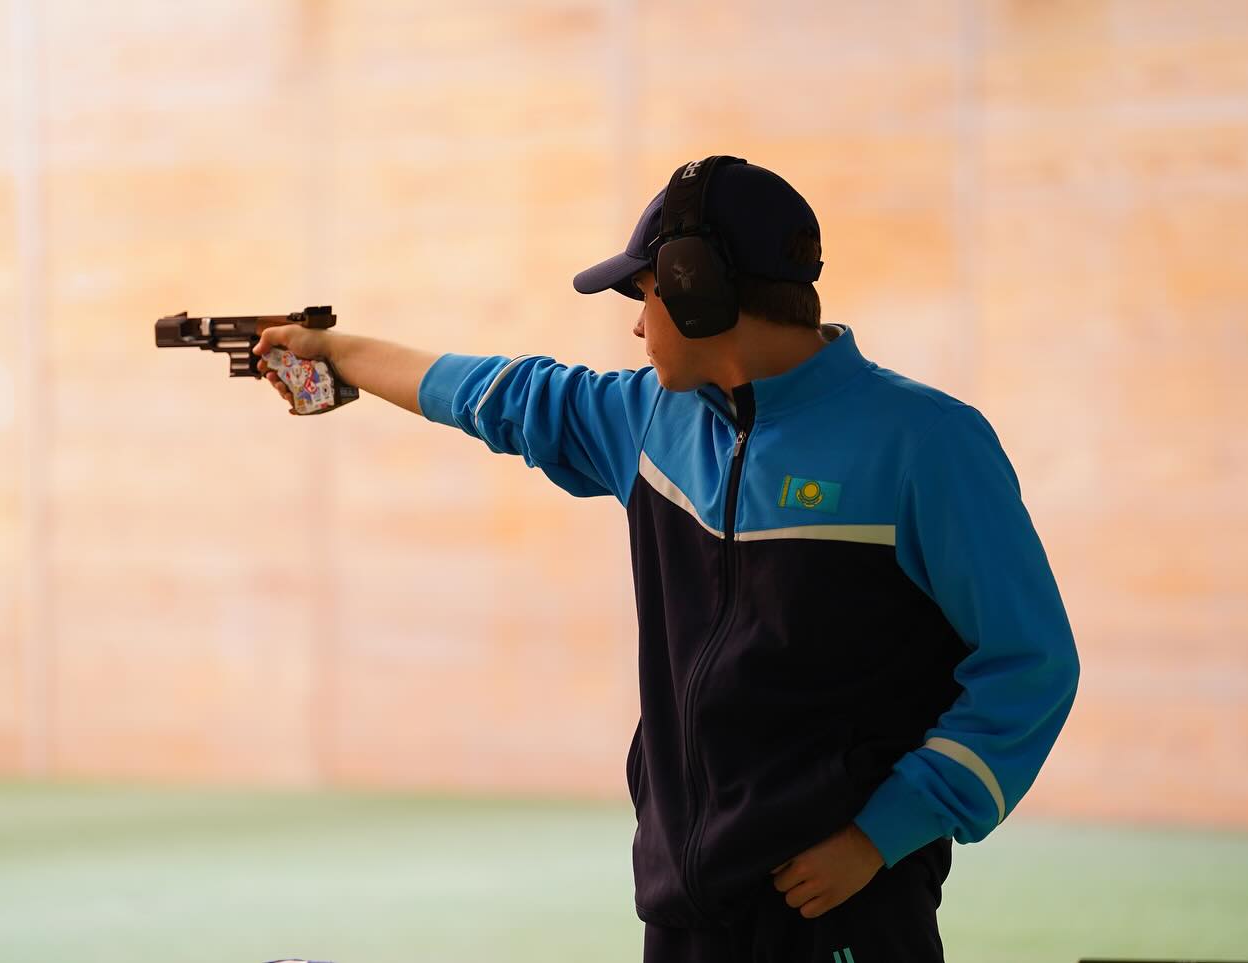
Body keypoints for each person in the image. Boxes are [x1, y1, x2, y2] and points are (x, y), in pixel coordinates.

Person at [253, 156, 1081, 963]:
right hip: (686, 904)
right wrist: (337, 351)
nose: (638, 323)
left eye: (645, 292)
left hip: (844, 905)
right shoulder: (649, 418)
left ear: (696, 286)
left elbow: (1029, 665)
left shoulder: (927, 444)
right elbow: (496, 394)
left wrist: (881, 832)